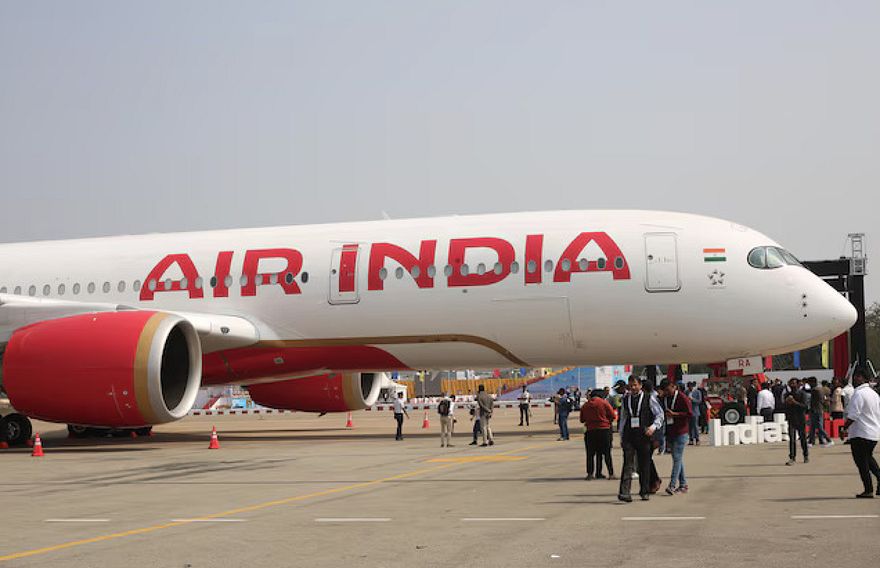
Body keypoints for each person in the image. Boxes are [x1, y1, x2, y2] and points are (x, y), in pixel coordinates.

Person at [618, 375, 664, 502]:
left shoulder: (649, 398)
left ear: (640, 385)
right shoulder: (625, 399)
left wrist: (653, 427)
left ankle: (644, 491)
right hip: (629, 435)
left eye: (635, 385)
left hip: (644, 435)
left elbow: (659, 414)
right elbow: (623, 418)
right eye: (631, 385)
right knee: (627, 464)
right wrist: (621, 435)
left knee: (644, 464)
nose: (633, 388)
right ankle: (624, 492)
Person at [841, 369, 880, 498]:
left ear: (863, 378)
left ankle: (868, 490)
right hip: (873, 432)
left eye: (857, 377)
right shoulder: (874, 394)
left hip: (861, 433)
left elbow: (854, 414)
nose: (854, 379)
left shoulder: (859, 394)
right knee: (868, 458)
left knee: (862, 463)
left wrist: (844, 428)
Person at [661, 379, 693, 495]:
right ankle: (683, 484)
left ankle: (672, 485)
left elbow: (690, 414)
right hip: (670, 431)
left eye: (668, 390)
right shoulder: (665, 398)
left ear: (673, 386)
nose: (666, 392)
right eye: (664, 391)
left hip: (681, 432)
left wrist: (675, 414)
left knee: (677, 458)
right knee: (677, 459)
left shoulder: (682, 398)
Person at [580, 389, 615, 480]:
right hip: (604, 430)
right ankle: (610, 473)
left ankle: (590, 474)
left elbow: (582, 419)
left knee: (590, 454)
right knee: (606, 453)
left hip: (590, 431)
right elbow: (613, 415)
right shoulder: (604, 403)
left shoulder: (585, 405)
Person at [784, 378, 809, 465]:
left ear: (798, 384)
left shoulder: (802, 394)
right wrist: (787, 403)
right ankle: (792, 457)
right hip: (791, 419)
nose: (792, 385)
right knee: (792, 439)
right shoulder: (787, 395)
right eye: (791, 384)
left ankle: (806, 455)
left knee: (803, 438)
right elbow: (784, 407)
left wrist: (794, 402)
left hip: (800, 419)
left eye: (794, 383)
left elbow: (805, 406)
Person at [807, 377, 833, 447]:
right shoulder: (820, 389)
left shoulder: (815, 390)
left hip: (816, 410)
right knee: (812, 427)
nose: (809, 384)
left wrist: (811, 409)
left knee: (819, 427)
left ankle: (829, 440)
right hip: (818, 410)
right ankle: (811, 442)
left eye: (809, 383)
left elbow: (814, 402)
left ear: (813, 382)